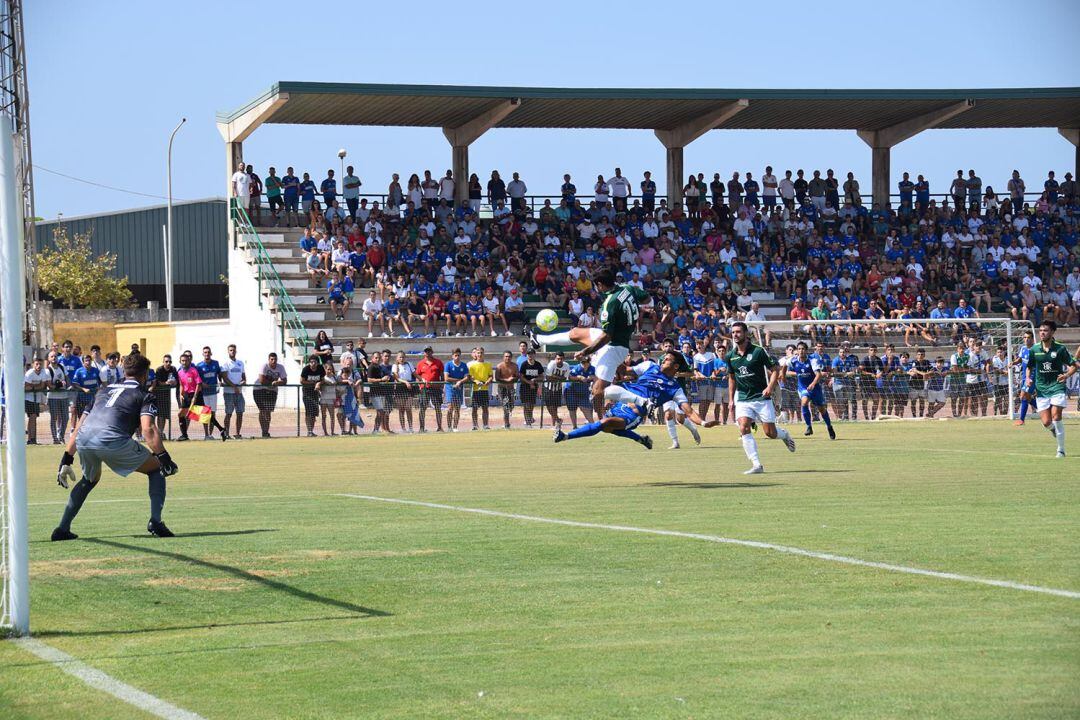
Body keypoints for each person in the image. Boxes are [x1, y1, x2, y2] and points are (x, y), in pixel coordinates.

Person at [52, 353, 179, 540]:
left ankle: (62, 529)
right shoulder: (145, 394)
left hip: (85, 439)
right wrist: (165, 458)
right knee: (157, 469)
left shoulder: (102, 390)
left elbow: (79, 426)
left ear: (125, 371)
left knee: (89, 479)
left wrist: (66, 458)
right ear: (144, 374)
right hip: (111, 438)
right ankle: (156, 522)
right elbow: (148, 429)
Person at [530, 269, 648, 416]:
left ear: (600, 285)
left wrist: (585, 352)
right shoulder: (627, 287)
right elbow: (647, 298)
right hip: (615, 341)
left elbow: (607, 337)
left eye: (596, 286)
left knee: (598, 390)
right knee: (576, 333)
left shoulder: (609, 304)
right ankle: (538, 339)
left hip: (614, 347)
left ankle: (605, 419)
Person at [555, 350, 716, 449]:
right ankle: (641, 439)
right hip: (621, 401)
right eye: (664, 358)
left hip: (634, 413)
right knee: (608, 427)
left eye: (667, 359)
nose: (663, 360)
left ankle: (566, 436)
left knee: (605, 424)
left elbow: (688, 411)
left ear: (675, 367)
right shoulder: (649, 366)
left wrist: (702, 423)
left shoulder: (675, 388)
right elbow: (626, 370)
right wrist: (612, 355)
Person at [726, 321, 796, 474]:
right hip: (743, 398)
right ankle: (757, 464)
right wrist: (731, 399)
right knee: (743, 427)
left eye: (738, 332)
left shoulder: (758, 351)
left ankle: (784, 435)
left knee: (770, 433)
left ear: (745, 334)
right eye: (733, 332)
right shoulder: (730, 356)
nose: (735, 335)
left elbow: (775, 370)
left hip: (761, 398)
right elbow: (731, 378)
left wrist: (770, 387)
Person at [1027, 320, 1075, 458]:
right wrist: (1028, 378)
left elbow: (1074, 365)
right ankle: (1053, 429)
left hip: (1057, 387)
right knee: (1047, 422)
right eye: (1041, 330)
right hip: (1041, 389)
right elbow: (1029, 366)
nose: (1042, 332)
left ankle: (1061, 449)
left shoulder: (1060, 348)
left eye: (1045, 330)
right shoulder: (1034, 349)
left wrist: (1066, 375)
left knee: (1056, 416)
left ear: (1052, 332)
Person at [787, 342, 836, 439]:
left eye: (803, 349)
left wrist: (813, 384)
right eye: (799, 349)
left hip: (815, 388)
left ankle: (829, 427)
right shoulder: (793, 360)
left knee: (822, 409)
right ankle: (809, 426)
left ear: (806, 351)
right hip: (803, 388)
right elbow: (785, 367)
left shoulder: (812, 361)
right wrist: (784, 376)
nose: (801, 351)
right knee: (804, 403)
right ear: (797, 350)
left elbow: (818, 375)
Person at [195, 346, 228, 441]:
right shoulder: (199, 366)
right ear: (203, 354)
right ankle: (206, 435)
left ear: (211, 353)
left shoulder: (215, 363)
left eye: (208, 352)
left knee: (213, 414)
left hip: (213, 393)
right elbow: (197, 378)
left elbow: (219, 374)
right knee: (205, 414)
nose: (207, 354)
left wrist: (220, 381)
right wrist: (202, 383)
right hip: (204, 394)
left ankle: (211, 434)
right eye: (205, 352)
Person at [254, 352, 287, 438]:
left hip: (272, 391)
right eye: (271, 359)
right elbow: (261, 380)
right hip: (259, 389)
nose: (273, 361)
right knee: (263, 410)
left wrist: (278, 382)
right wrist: (272, 383)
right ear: (268, 360)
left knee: (268, 412)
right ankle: (263, 431)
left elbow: (285, 380)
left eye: (275, 359)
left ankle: (266, 432)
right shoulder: (264, 366)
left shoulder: (280, 367)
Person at [44, 351, 72, 444]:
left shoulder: (62, 367)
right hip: (53, 397)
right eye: (51, 356)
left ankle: (61, 436)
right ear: (48, 358)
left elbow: (67, 378)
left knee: (65, 417)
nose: (54, 358)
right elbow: (49, 385)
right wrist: (59, 384)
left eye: (55, 356)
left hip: (64, 396)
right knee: (54, 418)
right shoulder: (48, 370)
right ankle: (55, 438)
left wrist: (68, 386)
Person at [415, 346, 445, 433]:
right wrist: (420, 385)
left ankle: (440, 427)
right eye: (426, 351)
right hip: (424, 389)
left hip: (436, 388)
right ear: (424, 353)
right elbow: (417, 376)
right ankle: (421, 428)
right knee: (422, 408)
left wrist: (442, 386)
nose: (427, 353)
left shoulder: (438, 362)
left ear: (432, 352)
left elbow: (442, 375)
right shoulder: (420, 363)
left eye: (429, 351)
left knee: (438, 408)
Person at [221, 343, 246, 439]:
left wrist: (243, 382)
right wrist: (234, 387)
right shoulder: (225, 363)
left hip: (239, 392)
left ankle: (237, 433)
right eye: (231, 350)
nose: (232, 352)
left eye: (234, 350)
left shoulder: (240, 363)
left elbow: (243, 376)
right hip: (229, 392)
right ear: (228, 351)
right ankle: (226, 433)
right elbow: (225, 378)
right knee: (229, 413)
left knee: (240, 413)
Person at [23, 356, 49, 445]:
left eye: (40, 364)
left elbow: (42, 386)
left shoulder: (43, 372)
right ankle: (31, 439)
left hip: (36, 399)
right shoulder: (29, 373)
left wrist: (33, 387)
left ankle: (32, 439)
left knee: (33, 419)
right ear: (33, 364)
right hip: (28, 399)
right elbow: (26, 387)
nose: (38, 366)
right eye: (37, 364)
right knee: (32, 417)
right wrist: (35, 387)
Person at [175, 351, 200, 441]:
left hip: (194, 394)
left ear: (189, 361)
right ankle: (184, 435)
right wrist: (181, 394)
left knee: (204, 414)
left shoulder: (193, 370)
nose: (184, 362)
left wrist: (195, 397)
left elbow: (199, 384)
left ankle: (220, 430)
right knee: (181, 414)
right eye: (182, 361)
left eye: (186, 360)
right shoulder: (180, 372)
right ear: (180, 361)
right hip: (186, 395)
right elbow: (181, 385)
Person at [443, 348, 469, 432]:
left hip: (459, 389)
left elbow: (467, 377)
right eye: (455, 355)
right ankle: (449, 427)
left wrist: (460, 382)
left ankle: (455, 427)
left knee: (457, 408)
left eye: (458, 355)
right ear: (452, 356)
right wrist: (457, 380)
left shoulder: (464, 365)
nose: (457, 357)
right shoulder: (448, 365)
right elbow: (446, 378)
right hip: (450, 389)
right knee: (450, 408)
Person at [467, 347, 493, 431]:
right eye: (478, 353)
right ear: (475, 354)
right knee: (474, 408)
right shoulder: (472, 365)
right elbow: (470, 377)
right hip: (475, 390)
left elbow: (491, 376)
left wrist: (488, 381)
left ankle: (485, 425)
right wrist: (476, 381)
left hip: (484, 390)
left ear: (483, 353)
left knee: (485, 408)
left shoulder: (488, 364)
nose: (480, 354)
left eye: (481, 353)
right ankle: (475, 425)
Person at [1013, 330, 1035, 426]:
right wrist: (1013, 363)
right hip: (1024, 376)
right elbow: (1020, 359)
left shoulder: (1035, 350)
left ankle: (1021, 419)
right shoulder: (1023, 348)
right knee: (1027, 397)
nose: (1026, 339)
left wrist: (1030, 378)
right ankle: (1045, 411)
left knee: (1023, 396)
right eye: (1025, 337)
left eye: (1028, 338)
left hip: (1032, 376)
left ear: (1032, 339)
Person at [543, 351, 570, 430]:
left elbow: (565, 378)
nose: (559, 360)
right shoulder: (552, 364)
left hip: (558, 388)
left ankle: (554, 424)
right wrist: (558, 378)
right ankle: (558, 420)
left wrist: (554, 377)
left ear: (563, 359)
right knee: (549, 406)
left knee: (555, 406)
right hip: (548, 387)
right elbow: (548, 377)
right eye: (558, 359)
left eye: (561, 359)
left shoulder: (566, 366)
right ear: (555, 358)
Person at [299, 355, 325, 437]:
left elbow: (323, 379)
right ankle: (309, 430)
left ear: (317, 363)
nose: (313, 364)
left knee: (314, 413)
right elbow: (302, 381)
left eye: (315, 362)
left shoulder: (320, 368)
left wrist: (319, 383)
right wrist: (313, 383)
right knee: (309, 412)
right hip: (307, 393)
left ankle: (311, 431)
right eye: (311, 362)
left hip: (316, 393)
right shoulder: (306, 369)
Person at [153, 354, 179, 436]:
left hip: (167, 394)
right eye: (166, 361)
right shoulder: (159, 369)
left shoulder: (173, 369)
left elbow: (177, 380)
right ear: (163, 362)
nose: (168, 363)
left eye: (170, 361)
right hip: (159, 395)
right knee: (160, 414)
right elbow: (158, 382)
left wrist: (174, 382)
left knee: (164, 414)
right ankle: (159, 432)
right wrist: (166, 383)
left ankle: (161, 432)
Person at [518, 348, 544, 427]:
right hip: (525, 387)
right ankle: (528, 421)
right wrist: (529, 382)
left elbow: (542, 376)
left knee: (531, 405)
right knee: (526, 405)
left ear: (534, 355)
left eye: (531, 354)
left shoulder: (538, 364)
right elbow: (521, 377)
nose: (530, 355)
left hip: (533, 388)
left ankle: (529, 418)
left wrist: (535, 380)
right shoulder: (524, 364)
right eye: (529, 354)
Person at [495, 351, 520, 429]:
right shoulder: (499, 366)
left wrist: (512, 379)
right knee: (505, 406)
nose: (507, 358)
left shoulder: (515, 366)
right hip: (502, 389)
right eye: (506, 356)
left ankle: (507, 420)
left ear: (511, 357)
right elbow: (497, 378)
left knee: (511, 405)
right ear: (503, 357)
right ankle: (507, 424)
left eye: (509, 356)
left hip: (511, 388)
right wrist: (507, 380)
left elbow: (517, 377)